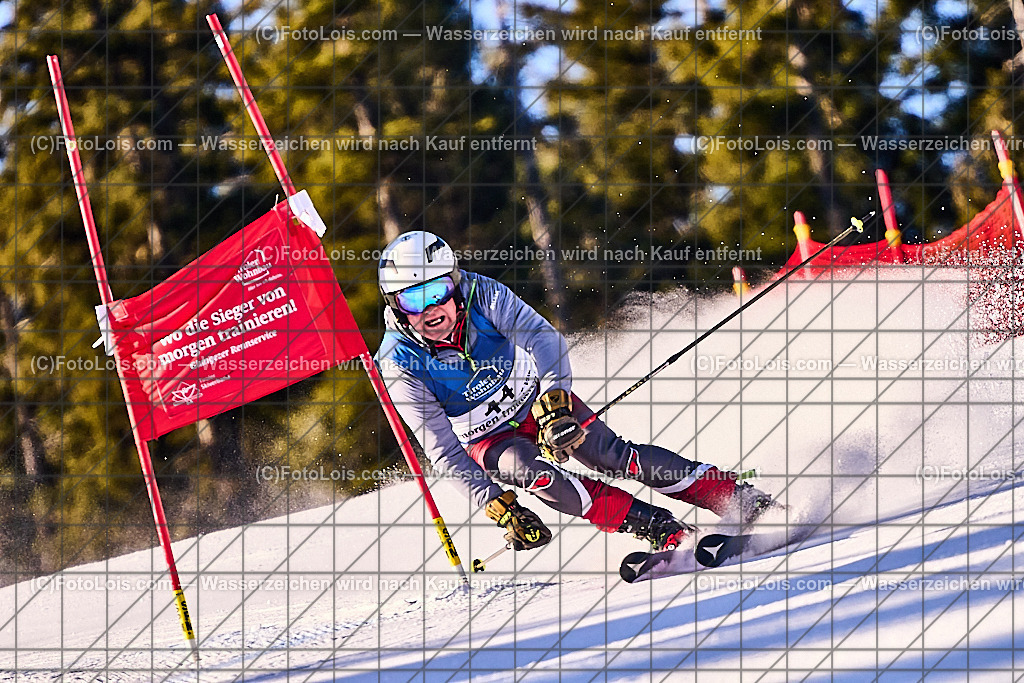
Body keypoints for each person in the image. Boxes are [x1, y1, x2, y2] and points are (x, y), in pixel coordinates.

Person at [375, 231, 775, 553]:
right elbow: (442, 449)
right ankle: (661, 529)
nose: (431, 309)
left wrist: (555, 402)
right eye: (413, 298)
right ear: (395, 305)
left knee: (610, 455)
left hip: (535, 398)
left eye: (438, 291)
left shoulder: (483, 294)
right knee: (542, 478)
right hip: (487, 438)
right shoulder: (398, 364)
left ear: (456, 284)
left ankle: (738, 498)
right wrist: (496, 505)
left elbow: (544, 341)